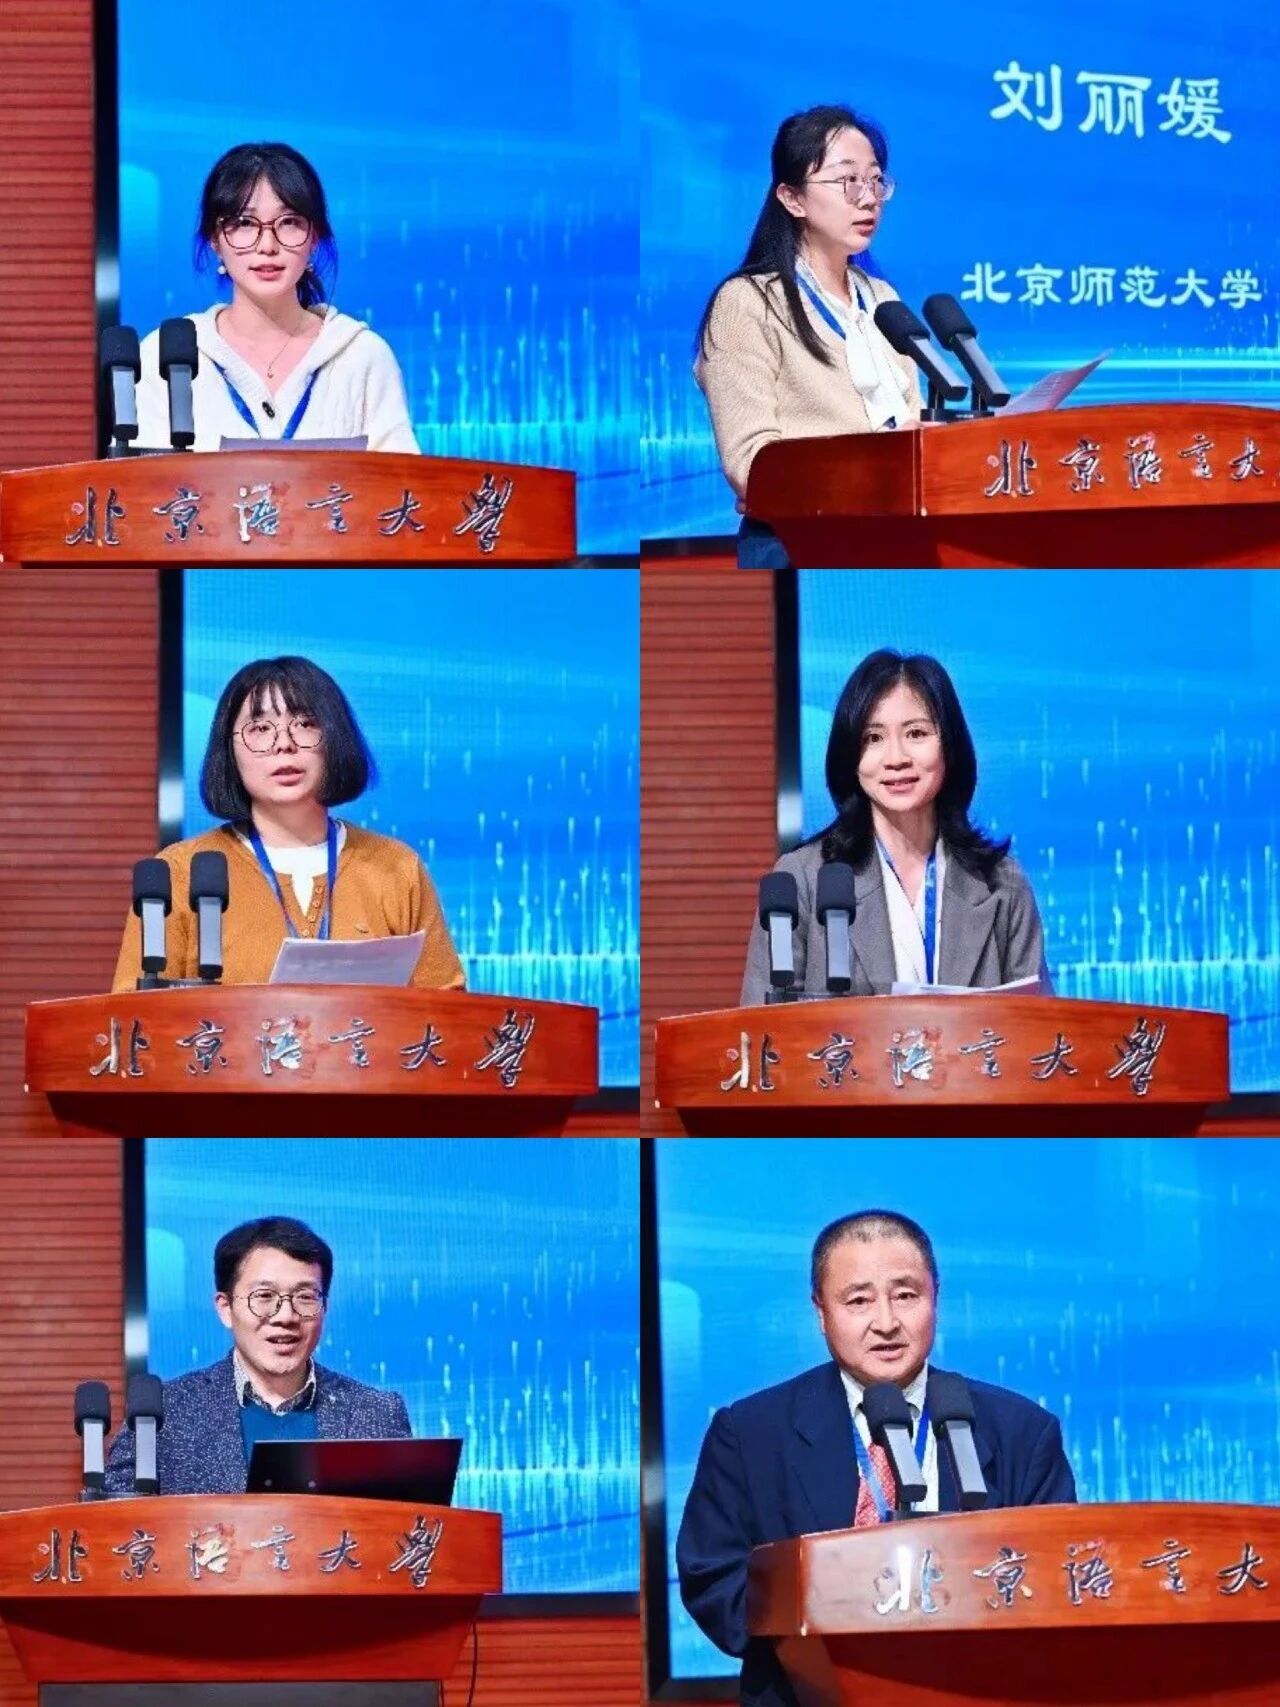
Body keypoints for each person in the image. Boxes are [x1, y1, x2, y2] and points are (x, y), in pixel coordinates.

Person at [676, 1209, 1076, 1707]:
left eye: (906, 1296)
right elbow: (713, 1578)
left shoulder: (1022, 1431)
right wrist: (826, 1625)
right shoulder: (751, 1433)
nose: (886, 1323)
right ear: (820, 1311)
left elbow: (1054, 1582)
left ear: (936, 1298)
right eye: (858, 1300)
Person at [112, 654, 465, 989]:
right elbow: (132, 1018)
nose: (284, 744)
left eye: (305, 724)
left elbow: (448, 1010)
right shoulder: (180, 872)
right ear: (229, 750)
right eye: (260, 728)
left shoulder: (396, 868)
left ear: (336, 738)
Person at [741, 649, 1049, 1004]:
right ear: (850, 757)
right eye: (873, 738)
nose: (896, 758)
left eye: (916, 733)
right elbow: (760, 1027)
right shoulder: (804, 879)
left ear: (949, 747)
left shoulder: (1002, 883)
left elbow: (1039, 1027)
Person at [695, 106, 923, 569]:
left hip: (897, 535)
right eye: (847, 180)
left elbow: (912, 421)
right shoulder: (748, 302)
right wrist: (878, 468)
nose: (868, 198)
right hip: (796, 545)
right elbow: (751, 466)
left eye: (875, 180)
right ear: (792, 198)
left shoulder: (881, 297)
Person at [135, 141, 419, 452]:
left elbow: (402, 477)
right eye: (244, 223)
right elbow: (134, 479)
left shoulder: (362, 356)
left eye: (289, 223)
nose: (267, 245)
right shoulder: (165, 357)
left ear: (314, 237)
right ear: (215, 240)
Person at [104, 1216, 411, 1496]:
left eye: (305, 1297)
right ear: (225, 1308)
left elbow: (411, 1529)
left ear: (324, 1308)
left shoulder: (378, 1413)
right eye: (264, 1296)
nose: (286, 1316)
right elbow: (113, 1524)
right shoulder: (164, 1414)